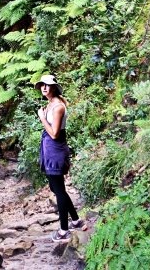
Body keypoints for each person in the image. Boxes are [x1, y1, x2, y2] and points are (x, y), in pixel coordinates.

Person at [35, 74, 87, 241]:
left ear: (54, 87)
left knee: (59, 191)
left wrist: (42, 118)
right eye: (42, 85)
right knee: (57, 189)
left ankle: (64, 231)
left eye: (48, 85)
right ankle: (77, 221)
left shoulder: (58, 107)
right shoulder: (50, 104)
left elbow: (55, 134)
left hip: (55, 149)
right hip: (49, 149)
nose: (44, 88)